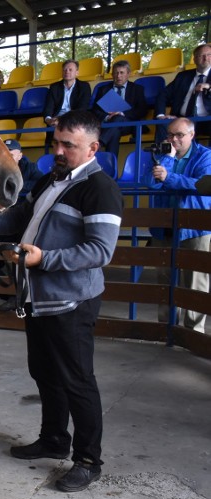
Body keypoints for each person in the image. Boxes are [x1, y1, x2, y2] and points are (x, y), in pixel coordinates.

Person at [0, 110, 123, 492]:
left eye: (68, 145)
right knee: (44, 372)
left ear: (93, 148)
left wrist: (44, 260)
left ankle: (89, 460)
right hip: (39, 298)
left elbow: (100, 251)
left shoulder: (100, 188)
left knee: (77, 381)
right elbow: (26, 213)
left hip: (71, 302)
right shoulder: (53, 178)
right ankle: (55, 438)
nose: (58, 150)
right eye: (56, 142)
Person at [142, 117, 211, 333]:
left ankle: (193, 334)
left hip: (194, 227)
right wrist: (169, 159)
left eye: (179, 135)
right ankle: (167, 329)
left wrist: (169, 177)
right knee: (165, 281)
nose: (173, 139)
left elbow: (201, 184)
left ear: (192, 135)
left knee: (195, 283)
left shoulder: (205, 156)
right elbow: (150, 182)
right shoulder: (164, 155)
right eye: (170, 134)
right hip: (165, 226)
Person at [0, 139, 42, 311]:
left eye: (12, 153)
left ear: (20, 155)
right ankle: (13, 298)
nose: (8, 156)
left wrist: (12, 186)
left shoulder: (31, 169)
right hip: (1, 223)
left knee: (20, 262)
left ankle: (24, 300)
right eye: (5, 152)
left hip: (24, 226)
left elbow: (41, 186)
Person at [155, 43, 211, 143]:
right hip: (183, 119)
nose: (205, 58)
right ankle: (162, 157)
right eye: (201, 55)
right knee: (163, 123)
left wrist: (209, 86)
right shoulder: (183, 76)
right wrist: (160, 115)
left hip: (207, 120)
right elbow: (163, 94)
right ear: (194, 59)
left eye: (209, 55)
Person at [92, 59, 148, 156]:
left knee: (118, 118)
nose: (118, 76)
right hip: (109, 123)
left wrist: (122, 114)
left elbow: (142, 110)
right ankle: (112, 167)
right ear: (112, 75)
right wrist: (107, 117)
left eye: (122, 73)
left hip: (129, 124)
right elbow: (95, 110)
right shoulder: (103, 90)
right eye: (116, 73)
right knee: (115, 132)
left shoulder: (137, 89)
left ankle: (100, 143)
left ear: (128, 74)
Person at [43, 60, 92, 150]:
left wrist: (62, 120)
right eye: (65, 70)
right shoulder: (54, 87)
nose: (67, 72)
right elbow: (48, 108)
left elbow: (82, 109)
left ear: (77, 72)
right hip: (56, 122)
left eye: (70, 70)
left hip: (75, 120)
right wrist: (49, 120)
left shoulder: (84, 87)